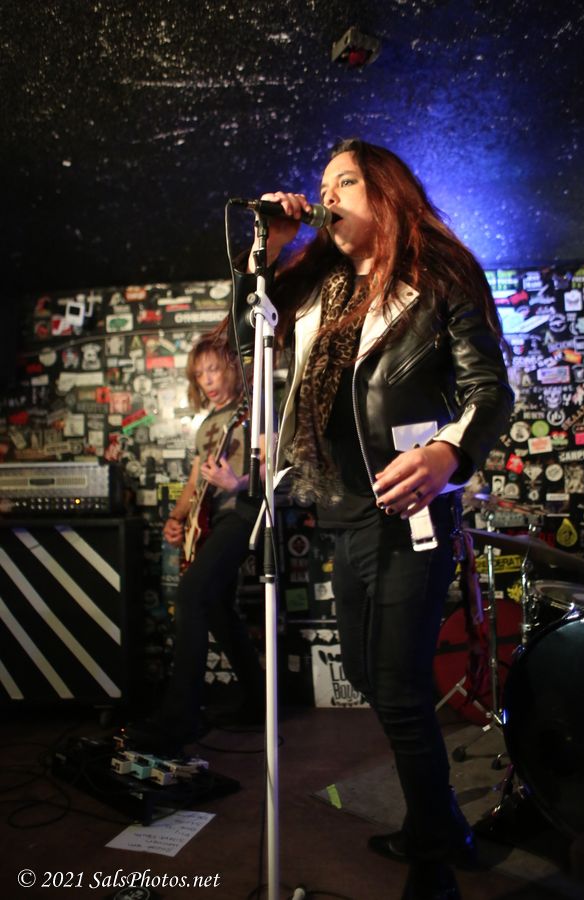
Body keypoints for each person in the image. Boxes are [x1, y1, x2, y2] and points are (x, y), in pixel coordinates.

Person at [232, 139, 514, 900]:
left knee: (397, 684)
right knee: (367, 674)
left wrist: (449, 452)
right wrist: (272, 250)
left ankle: (435, 855)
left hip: (410, 507)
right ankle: (440, 825)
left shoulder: (439, 277)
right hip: (342, 510)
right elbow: (244, 333)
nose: (327, 194)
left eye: (346, 181)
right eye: (322, 184)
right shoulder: (314, 286)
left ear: (387, 193)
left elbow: (490, 389)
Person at [124, 334, 265, 755]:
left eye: (214, 369)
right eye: (200, 374)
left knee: (190, 595)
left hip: (244, 514)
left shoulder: (254, 409)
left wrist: (237, 482)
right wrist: (176, 518)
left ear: (233, 368)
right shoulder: (206, 425)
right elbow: (194, 482)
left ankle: (180, 717)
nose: (208, 380)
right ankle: (258, 702)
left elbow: (275, 464)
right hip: (212, 521)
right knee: (217, 608)